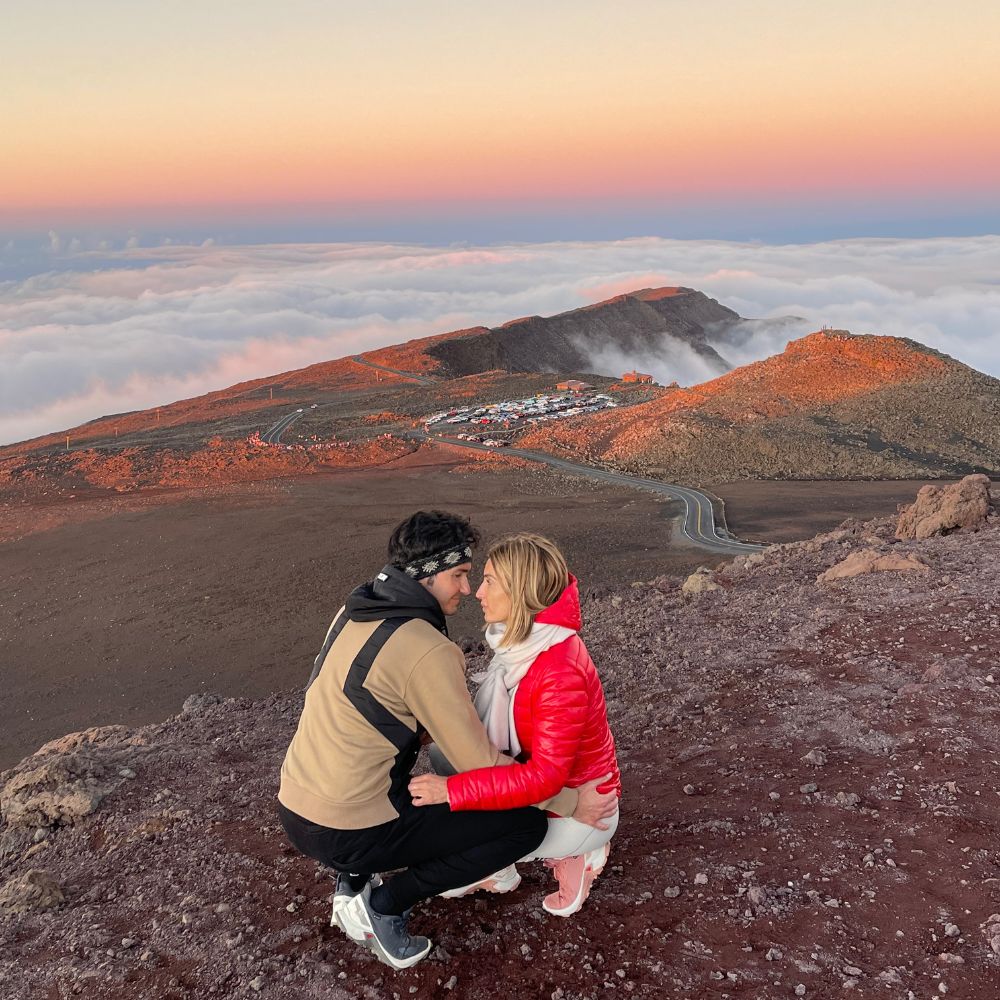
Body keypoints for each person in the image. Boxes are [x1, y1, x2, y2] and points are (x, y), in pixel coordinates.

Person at [277, 511, 614, 970]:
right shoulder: (427, 647)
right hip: (346, 828)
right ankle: (383, 905)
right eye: (459, 574)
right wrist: (573, 803)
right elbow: (475, 760)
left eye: (478, 578)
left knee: (417, 765)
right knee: (524, 827)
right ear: (429, 575)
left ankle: (353, 878)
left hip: (296, 804)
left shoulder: (355, 611)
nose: (468, 589)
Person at [410, 532, 622, 917]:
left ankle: (580, 849)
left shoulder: (558, 671)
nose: (477, 592)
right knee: (447, 754)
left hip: (582, 808)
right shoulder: (524, 647)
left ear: (520, 592)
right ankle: (505, 863)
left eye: (490, 582)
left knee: (459, 830)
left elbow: (544, 781)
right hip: (558, 794)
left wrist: (452, 792)